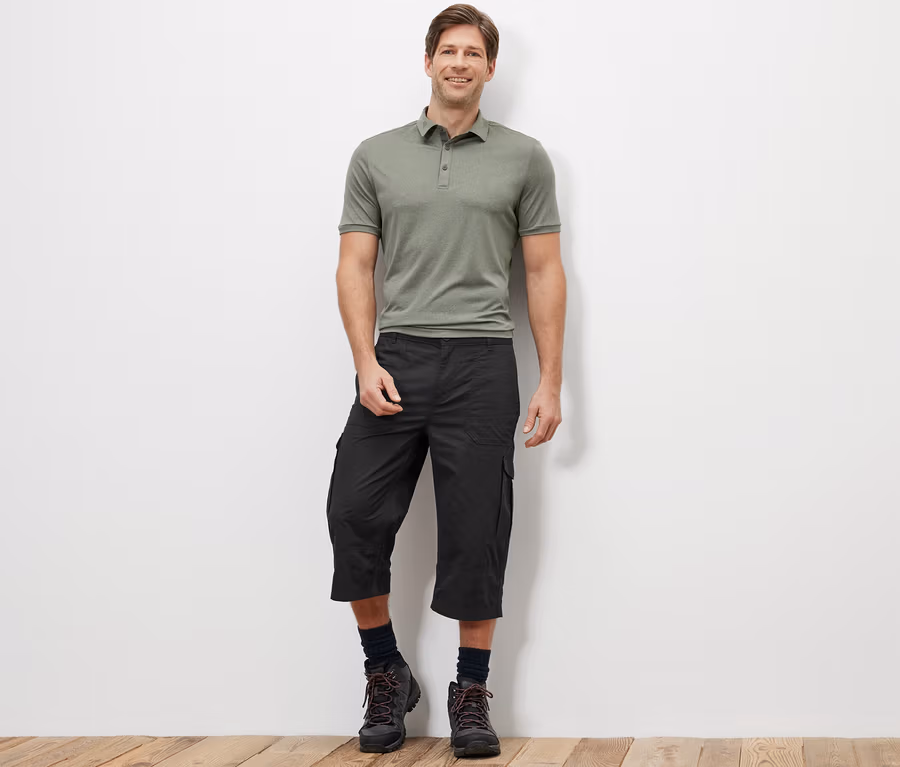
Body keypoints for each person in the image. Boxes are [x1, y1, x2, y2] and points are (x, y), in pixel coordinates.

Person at [326, 2, 566, 758]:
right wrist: (365, 360)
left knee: (476, 529)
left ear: (491, 67)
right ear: (428, 61)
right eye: (448, 50)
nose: (459, 62)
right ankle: (385, 671)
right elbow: (355, 264)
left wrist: (551, 380)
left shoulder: (524, 158)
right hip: (395, 357)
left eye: (473, 52)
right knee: (353, 514)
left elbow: (543, 271)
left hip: (483, 359)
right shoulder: (376, 155)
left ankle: (471, 691)